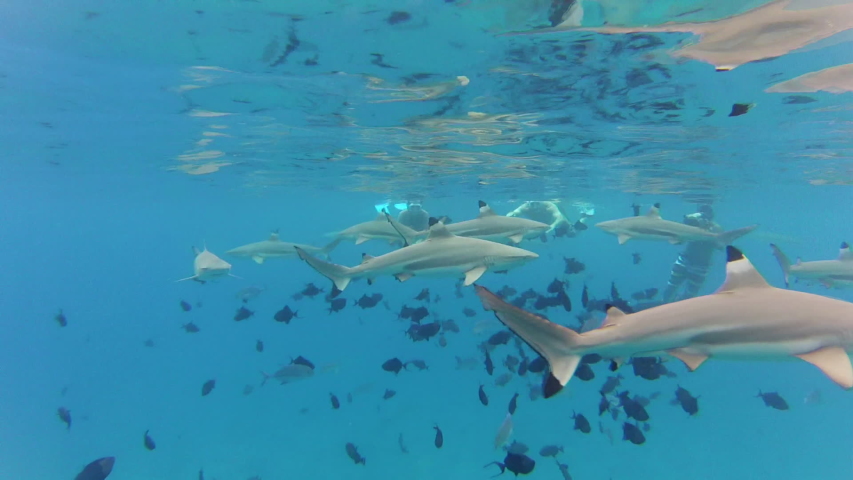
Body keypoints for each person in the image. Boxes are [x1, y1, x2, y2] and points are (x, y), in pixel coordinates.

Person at [662, 204, 722, 303]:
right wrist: (688, 224)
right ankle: (663, 307)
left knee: (690, 295)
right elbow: (678, 241)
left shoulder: (716, 228)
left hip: (701, 265)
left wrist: (708, 232)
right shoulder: (692, 225)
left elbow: (720, 246)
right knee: (671, 287)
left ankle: (677, 311)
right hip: (685, 259)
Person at [505, 200, 588, 238]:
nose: (535, 206)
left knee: (571, 234)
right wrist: (509, 216)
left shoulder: (548, 205)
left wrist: (552, 227)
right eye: (532, 204)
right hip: (543, 226)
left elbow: (559, 218)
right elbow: (515, 212)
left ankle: (584, 217)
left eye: (537, 203)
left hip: (557, 223)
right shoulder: (526, 207)